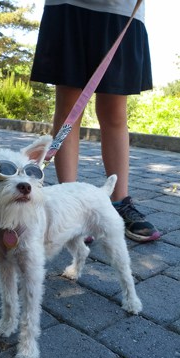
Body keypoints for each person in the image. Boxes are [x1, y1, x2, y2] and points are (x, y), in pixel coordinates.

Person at [30, 0, 160, 242]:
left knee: (115, 112)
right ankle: (70, 205)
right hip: (70, 6)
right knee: (69, 106)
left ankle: (120, 202)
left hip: (121, 9)